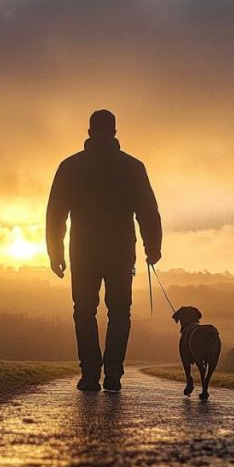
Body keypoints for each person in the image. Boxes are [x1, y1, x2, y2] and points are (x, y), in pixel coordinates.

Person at [46, 109, 162, 392]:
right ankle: (113, 372)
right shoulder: (133, 167)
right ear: (114, 133)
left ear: (89, 132)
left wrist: (55, 253)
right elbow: (148, 210)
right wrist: (153, 247)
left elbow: (55, 214)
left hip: (83, 251)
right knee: (120, 311)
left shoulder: (70, 166)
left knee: (84, 311)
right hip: (121, 251)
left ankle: (89, 374)